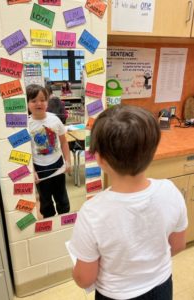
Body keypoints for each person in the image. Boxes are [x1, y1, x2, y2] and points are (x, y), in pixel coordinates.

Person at [68, 105, 188, 300]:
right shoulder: (170, 190)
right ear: (152, 152)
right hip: (162, 286)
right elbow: (178, 245)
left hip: (116, 295)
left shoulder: (92, 212)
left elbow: (85, 278)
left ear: (99, 159)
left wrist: (76, 273)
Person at [26, 84, 71, 218]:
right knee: (45, 202)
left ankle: (65, 221)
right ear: (27, 103)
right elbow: (26, 152)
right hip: (39, 168)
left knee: (62, 197)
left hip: (57, 164)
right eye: (33, 101)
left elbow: (63, 142)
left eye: (42, 100)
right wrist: (32, 170)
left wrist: (68, 161)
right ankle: (49, 223)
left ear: (47, 101)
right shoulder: (26, 125)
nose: (38, 103)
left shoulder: (54, 119)